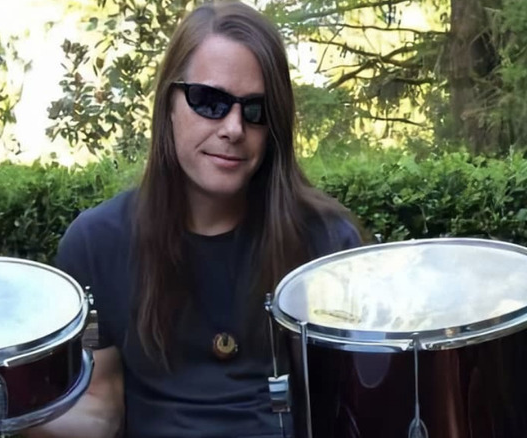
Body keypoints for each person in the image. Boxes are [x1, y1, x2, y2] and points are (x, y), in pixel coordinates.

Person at [26, 1, 365, 437]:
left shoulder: (327, 244)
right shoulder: (96, 243)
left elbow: (357, 405)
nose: (234, 128)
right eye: (210, 102)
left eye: (255, 110)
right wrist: (2, 405)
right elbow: (101, 409)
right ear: (168, 104)